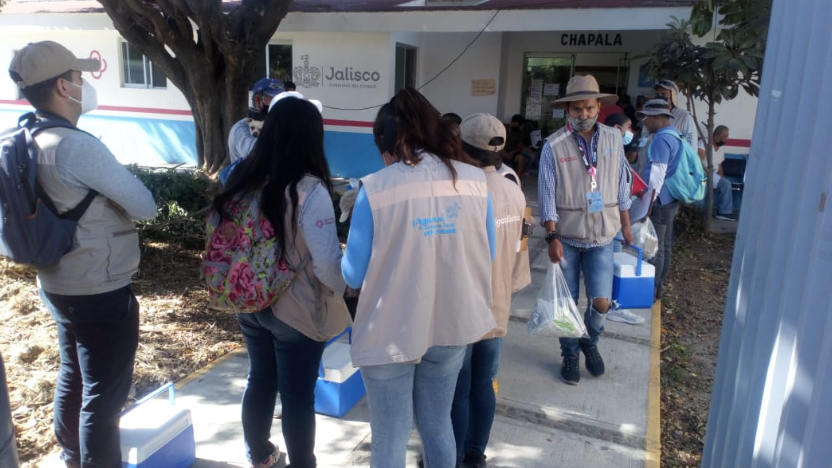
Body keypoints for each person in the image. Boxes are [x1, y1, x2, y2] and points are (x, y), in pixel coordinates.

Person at [8, 41, 157, 467]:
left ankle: (72, 456)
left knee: (73, 375)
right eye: (78, 77)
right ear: (62, 85)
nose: (84, 83)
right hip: (100, 286)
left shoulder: (26, 136)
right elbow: (144, 204)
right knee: (103, 398)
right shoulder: (77, 146)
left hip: (56, 282)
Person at [342, 88, 497, 468]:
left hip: (391, 330)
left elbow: (352, 273)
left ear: (389, 142)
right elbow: (488, 253)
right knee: (437, 425)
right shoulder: (476, 181)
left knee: (390, 436)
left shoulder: (375, 188)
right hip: (452, 323)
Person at [213, 96, 350, 468]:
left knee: (260, 379)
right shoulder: (309, 190)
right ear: (311, 137)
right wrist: (348, 291)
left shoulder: (241, 177)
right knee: (297, 396)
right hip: (296, 309)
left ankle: (259, 454)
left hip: (250, 298)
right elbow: (326, 267)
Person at [538, 75, 634, 385]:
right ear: (567, 110)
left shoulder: (613, 139)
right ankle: (569, 354)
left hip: (604, 236)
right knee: (566, 305)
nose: (584, 114)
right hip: (566, 236)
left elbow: (622, 185)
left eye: (589, 108)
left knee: (601, 301)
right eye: (577, 109)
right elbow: (546, 193)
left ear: (598, 107)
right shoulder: (554, 146)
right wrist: (552, 236)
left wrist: (627, 226)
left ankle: (589, 341)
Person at [451, 113, 530, 468]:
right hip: (497, 302)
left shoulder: (461, 191)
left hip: (463, 307)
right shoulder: (513, 189)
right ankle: (474, 454)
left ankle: (448, 454)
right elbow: (520, 249)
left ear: (462, 148)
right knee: (483, 384)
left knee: (458, 388)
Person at [636, 99, 683, 301]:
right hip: (670, 198)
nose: (644, 122)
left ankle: (652, 290)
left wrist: (647, 204)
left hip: (660, 200)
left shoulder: (662, 140)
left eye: (646, 117)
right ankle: (659, 285)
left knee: (655, 246)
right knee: (664, 244)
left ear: (658, 117)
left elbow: (657, 175)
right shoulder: (675, 135)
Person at [602, 113, 645, 326]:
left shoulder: (609, 151)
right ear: (617, 128)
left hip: (608, 216)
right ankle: (613, 306)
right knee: (613, 260)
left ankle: (609, 303)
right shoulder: (612, 154)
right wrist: (626, 226)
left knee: (608, 261)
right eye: (629, 127)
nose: (632, 133)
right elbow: (621, 195)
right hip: (613, 217)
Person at [228, 77, 284, 163]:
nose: (279, 104)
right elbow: (258, 154)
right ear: (258, 100)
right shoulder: (242, 127)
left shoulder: (275, 125)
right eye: (274, 100)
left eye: (282, 100)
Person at [697, 125, 736, 220]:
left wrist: (721, 178)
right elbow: (697, 162)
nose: (726, 139)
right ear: (716, 136)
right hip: (703, 173)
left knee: (725, 183)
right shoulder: (704, 143)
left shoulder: (721, 148)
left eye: (727, 136)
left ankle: (724, 212)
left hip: (713, 175)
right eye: (724, 136)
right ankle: (696, 213)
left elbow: (719, 166)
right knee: (703, 187)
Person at [653, 80, 698, 147]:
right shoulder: (651, 115)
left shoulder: (684, 116)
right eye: (657, 94)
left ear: (673, 95)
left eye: (663, 94)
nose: (660, 97)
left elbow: (691, 144)